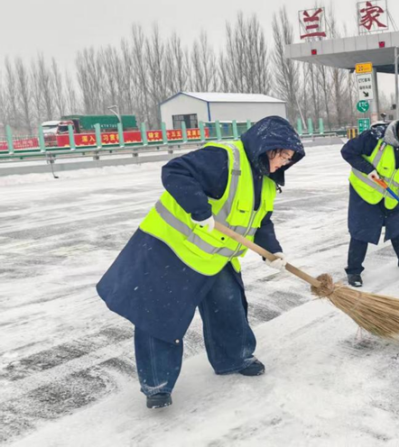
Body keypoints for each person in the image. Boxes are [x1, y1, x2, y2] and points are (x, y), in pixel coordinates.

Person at [96, 116, 305, 410]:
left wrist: (272, 251)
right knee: (160, 317)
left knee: (229, 309)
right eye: (284, 156)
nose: (285, 163)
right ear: (268, 148)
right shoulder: (224, 158)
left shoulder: (266, 180)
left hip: (215, 257)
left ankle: (235, 357)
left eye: (290, 159)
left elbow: (261, 220)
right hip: (172, 250)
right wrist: (198, 209)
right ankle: (157, 384)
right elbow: (175, 171)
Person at [341, 110, 399, 288]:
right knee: (361, 231)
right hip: (365, 191)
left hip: (390, 195)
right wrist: (367, 168)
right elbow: (347, 151)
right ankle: (354, 270)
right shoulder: (375, 137)